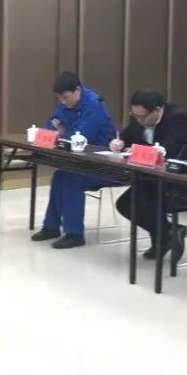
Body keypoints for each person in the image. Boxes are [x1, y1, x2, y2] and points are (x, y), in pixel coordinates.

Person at [31, 72, 117, 249]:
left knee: (72, 178)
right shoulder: (66, 102)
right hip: (81, 161)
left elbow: (81, 137)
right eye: (59, 99)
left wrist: (63, 132)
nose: (63, 102)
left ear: (77, 91)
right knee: (59, 176)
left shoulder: (94, 106)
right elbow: (52, 125)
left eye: (66, 98)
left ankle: (74, 233)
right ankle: (51, 227)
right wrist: (59, 132)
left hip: (104, 163)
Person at [111, 89, 187, 261]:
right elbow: (126, 136)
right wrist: (119, 143)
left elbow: (169, 148)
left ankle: (163, 238)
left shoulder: (178, 118)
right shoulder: (139, 117)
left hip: (177, 177)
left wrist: (143, 150)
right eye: (135, 116)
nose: (139, 121)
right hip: (149, 176)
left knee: (147, 201)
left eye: (143, 117)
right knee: (125, 204)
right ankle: (170, 232)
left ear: (157, 110)